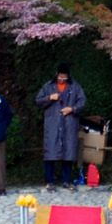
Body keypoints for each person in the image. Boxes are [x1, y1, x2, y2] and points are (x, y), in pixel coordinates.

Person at [36, 62, 87, 192]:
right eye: (60, 77)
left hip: (69, 124)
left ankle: (66, 180)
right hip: (53, 124)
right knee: (50, 153)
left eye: (64, 77)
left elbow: (82, 102)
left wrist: (72, 109)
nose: (62, 79)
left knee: (68, 152)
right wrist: (50, 98)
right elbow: (39, 101)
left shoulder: (75, 87)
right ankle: (49, 181)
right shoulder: (48, 86)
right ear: (56, 74)